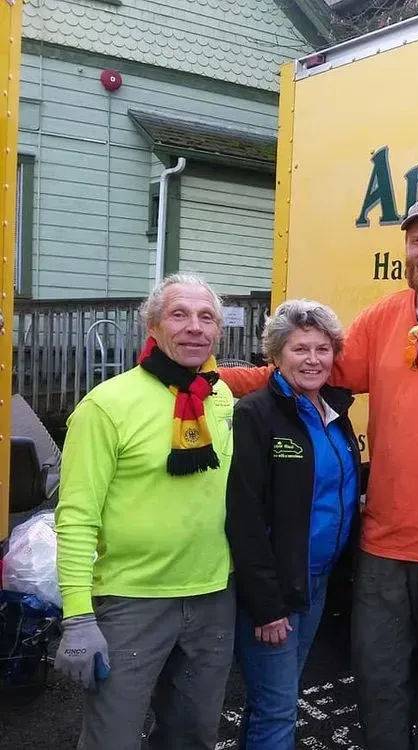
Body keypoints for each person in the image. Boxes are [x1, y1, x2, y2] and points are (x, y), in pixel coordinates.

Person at [219, 197, 418, 750]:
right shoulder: (385, 317)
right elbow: (309, 370)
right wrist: (212, 378)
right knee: (378, 675)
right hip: (383, 541)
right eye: (417, 240)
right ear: (406, 248)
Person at [54, 273, 236, 750]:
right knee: (112, 740)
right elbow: (76, 516)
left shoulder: (219, 397)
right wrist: (77, 617)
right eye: (179, 315)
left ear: (218, 330)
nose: (195, 327)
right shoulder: (106, 406)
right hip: (131, 601)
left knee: (193, 736)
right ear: (151, 327)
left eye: (206, 317)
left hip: (213, 596)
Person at [225, 299, 362, 749]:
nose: (313, 359)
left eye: (322, 349)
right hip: (277, 590)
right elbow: (244, 517)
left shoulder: (335, 414)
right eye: (300, 349)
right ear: (276, 355)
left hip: (317, 582)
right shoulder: (257, 414)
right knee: (279, 709)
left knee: (272, 700)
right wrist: (266, 606)